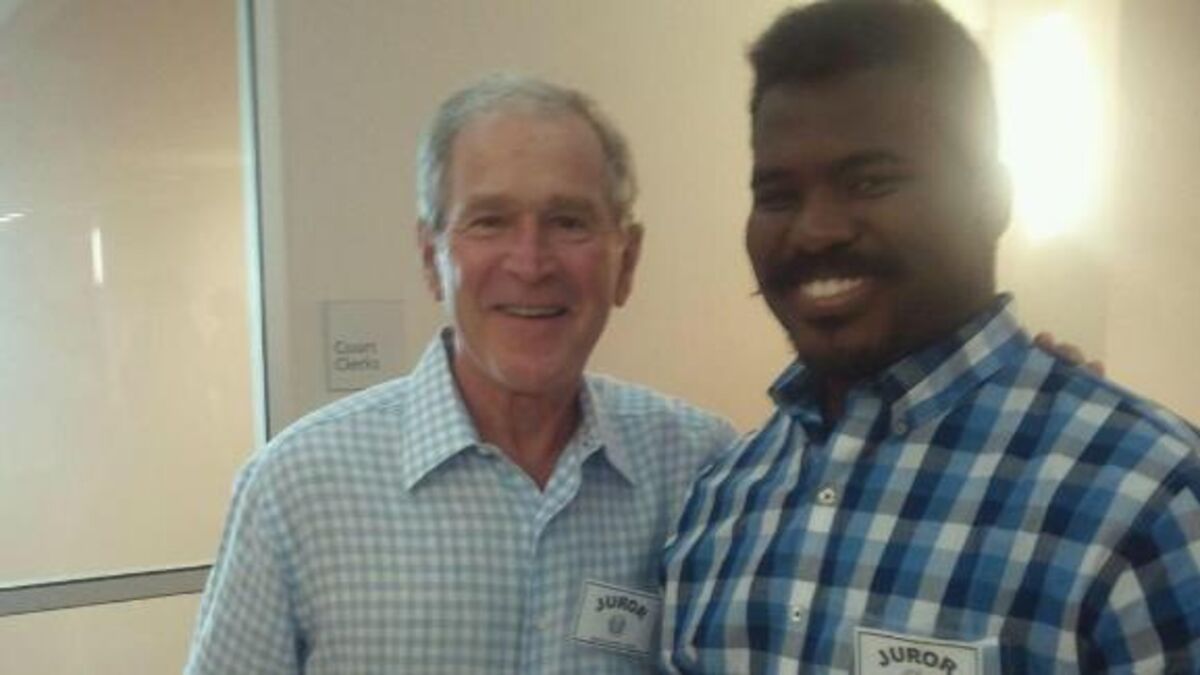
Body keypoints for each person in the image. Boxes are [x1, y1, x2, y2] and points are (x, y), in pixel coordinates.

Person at [661, 1, 1200, 673]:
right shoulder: (723, 499)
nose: (816, 230)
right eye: (777, 195)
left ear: (992, 197)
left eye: (870, 181)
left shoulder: (1149, 500)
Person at [185, 74, 737, 674]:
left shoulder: (701, 470)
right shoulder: (294, 491)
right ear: (432, 259)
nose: (530, 262)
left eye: (569, 222)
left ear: (626, 261)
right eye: (489, 221)